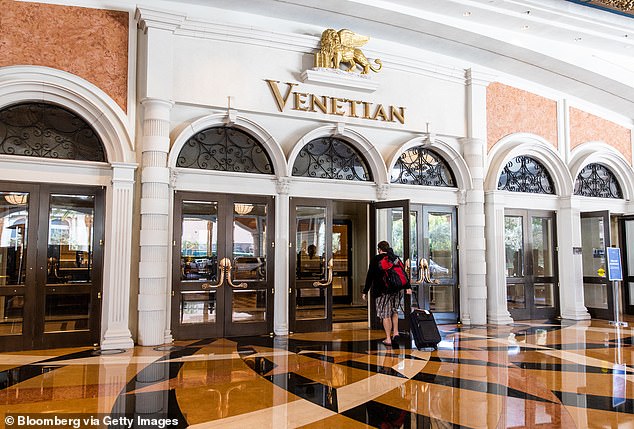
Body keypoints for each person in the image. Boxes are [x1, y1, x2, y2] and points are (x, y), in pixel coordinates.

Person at [362, 240, 411, 346]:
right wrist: (408, 287)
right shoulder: (395, 258)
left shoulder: (376, 259)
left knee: (385, 315)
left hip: (382, 292)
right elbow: (403, 273)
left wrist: (365, 291)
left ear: (379, 249)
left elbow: (370, 276)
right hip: (397, 290)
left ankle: (388, 338)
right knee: (394, 311)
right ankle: (396, 332)